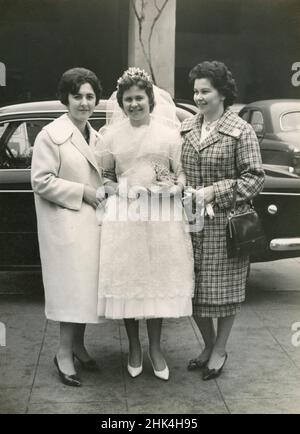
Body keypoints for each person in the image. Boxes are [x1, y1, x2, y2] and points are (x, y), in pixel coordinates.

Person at [97, 67, 194, 381]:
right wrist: (119, 190)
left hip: (160, 218)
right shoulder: (111, 136)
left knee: (156, 281)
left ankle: (155, 348)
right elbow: (107, 177)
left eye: (139, 98)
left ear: (150, 100)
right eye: (128, 99)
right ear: (121, 103)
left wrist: (173, 188)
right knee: (129, 280)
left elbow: (179, 174)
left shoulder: (168, 135)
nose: (134, 104)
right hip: (125, 216)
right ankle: (134, 347)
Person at [181, 61, 265, 380]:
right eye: (195, 92)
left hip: (226, 225)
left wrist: (213, 192)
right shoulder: (186, 127)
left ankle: (220, 348)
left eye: (205, 91)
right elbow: (178, 170)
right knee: (192, 289)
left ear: (222, 93)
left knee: (225, 291)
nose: (199, 97)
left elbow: (255, 179)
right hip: (190, 222)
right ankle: (208, 344)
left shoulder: (240, 131)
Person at [31, 67, 105, 387]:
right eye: (78, 96)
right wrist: (83, 193)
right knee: (70, 291)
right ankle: (63, 353)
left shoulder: (96, 135)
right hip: (66, 225)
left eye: (90, 96)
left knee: (86, 290)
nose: (84, 103)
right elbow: (41, 181)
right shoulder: (51, 135)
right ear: (66, 98)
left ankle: (78, 346)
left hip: (91, 226)